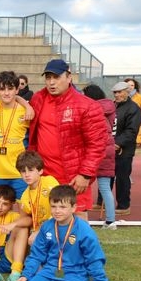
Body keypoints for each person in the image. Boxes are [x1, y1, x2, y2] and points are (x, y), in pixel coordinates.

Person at [28, 59, 105, 218]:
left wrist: (85, 174)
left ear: (69, 78)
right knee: (44, 219)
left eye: (56, 77)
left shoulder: (87, 105)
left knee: (77, 222)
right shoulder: (38, 99)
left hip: (73, 176)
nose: (51, 82)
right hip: (45, 174)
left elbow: (97, 145)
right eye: (48, 78)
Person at [16, 185, 109, 281]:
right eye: (54, 206)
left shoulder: (84, 230)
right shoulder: (47, 226)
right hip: (49, 272)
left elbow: (94, 259)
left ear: (73, 208)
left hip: (75, 274)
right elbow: (37, 255)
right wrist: (26, 275)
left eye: (62, 207)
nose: (57, 211)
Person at [0, 71, 32, 199]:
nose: (6, 93)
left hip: (20, 172)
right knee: (0, 210)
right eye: (2, 89)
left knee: (23, 210)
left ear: (17, 89)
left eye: (10, 88)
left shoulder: (27, 112)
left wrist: (27, 105)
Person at [81, 85, 117, 229]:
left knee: (84, 185)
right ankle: (110, 220)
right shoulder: (108, 108)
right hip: (107, 150)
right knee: (104, 187)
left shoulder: (93, 110)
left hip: (98, 151)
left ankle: (81, 217)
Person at [111, 81, 141, 216]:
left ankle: (124, 205)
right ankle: (101, 202)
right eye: (115, 92)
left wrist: (118, 143)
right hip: (109, 148)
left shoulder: (134, 109)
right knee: (106, 177)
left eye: (120, 92)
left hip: (124, 150)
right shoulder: (112, 106)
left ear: (127, 92)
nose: (117, 95)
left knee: (122, 177)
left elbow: (131, 131)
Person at [14, 150, 61, 241]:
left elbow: (59, 209)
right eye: (23, 171)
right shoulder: (25, 196)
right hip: (39, 232)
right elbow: (27, 219)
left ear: (40, 171)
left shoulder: (49, 181)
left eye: (31, 170)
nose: (27, 175)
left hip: (56, 226)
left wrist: (38, 232)